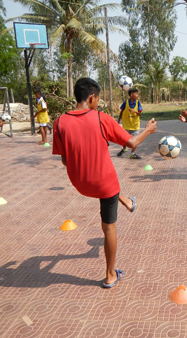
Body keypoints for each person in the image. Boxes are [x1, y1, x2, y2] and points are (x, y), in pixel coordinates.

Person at [52, 78, 156, 288]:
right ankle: (110, 275)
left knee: (106, 190)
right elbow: (132, 143)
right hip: (104, 184)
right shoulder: (101, 118)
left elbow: (64, 160)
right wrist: (148, 130)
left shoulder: (60, 122)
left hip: (80, 183)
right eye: (97, 99)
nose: (97, 104)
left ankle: (126, 200)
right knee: (109, 228)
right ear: (91, 97)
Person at [117, 88, 143, 159]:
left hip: (135, 125)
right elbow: (121, 112)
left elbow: (140, 114)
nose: (137, 95)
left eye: (137, 93)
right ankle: (124, 149)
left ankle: (133, 153)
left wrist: (134, 111)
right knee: (124, 140)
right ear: (131, 95)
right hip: (127, 125)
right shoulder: (126, 102)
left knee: (135, 140)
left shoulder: (138, 103)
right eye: (136, 93)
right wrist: (118, 121)